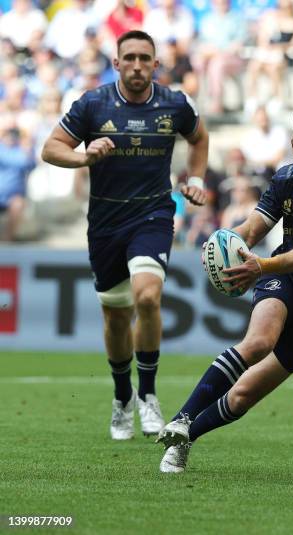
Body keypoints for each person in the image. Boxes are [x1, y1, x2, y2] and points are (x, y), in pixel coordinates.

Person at [156, 107, 293, 473]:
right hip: (286, 277)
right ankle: (181, 418)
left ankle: (186, 438)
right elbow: (256, 225)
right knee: (258, 342)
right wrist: (226, 242)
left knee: (243, 395)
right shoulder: (286, 177)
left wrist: (263, 266)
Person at [40, 30, 209, 440]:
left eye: (144, 58)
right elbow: (50, 148)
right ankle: (122, 398)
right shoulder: (93, 104)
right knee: (116, 317)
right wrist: (84, 156)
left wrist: (197, 177)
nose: (136, 65)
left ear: (155, 64)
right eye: (129, 58)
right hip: (105, 223)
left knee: (148, 297)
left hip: (152, 214)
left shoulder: (174, 103)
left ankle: (149, 394)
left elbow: (199, 138)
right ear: (116, 63)